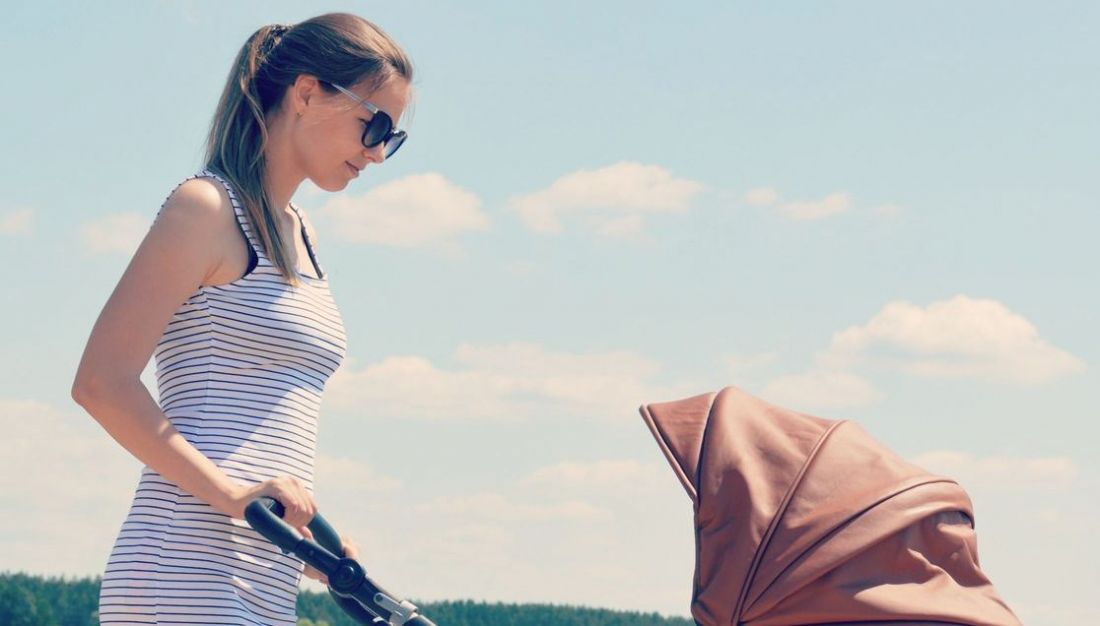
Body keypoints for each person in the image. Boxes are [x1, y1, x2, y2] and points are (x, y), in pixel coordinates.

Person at [71, 13, 413, 625]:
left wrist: (304, 539)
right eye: (375, 124)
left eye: (394, 135)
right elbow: (101, 382)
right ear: (306, 93)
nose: (379, 152)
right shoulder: (204, 208)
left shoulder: (300, 235)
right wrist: (233, 495)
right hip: (184, 566)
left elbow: (258, 419)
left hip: (258, 571)